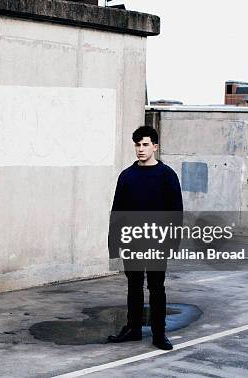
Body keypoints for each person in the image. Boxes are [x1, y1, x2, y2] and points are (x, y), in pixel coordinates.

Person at [107, 126, 183, 350]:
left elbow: (175, 212)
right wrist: (114, 243)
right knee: (134, 286)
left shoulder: (167, 176)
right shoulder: (127, 176)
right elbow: (117, 212)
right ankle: (134, 329)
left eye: (145, 144)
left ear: (155, 147)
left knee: (157, 287)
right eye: (138, 145)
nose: (141, 149)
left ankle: (159, 334)